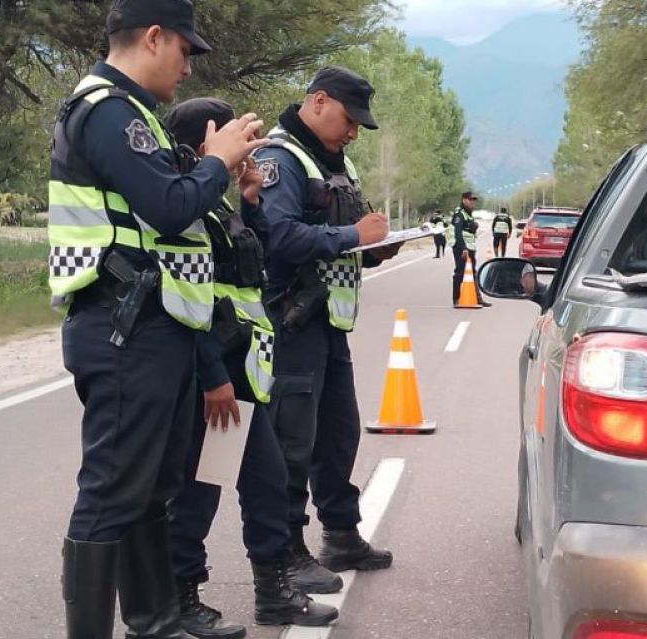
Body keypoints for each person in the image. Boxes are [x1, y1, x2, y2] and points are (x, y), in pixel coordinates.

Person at [48, 2, 267, 637]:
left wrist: (223, 178)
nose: (187, 68)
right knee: (113, 490)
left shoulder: (134, 113)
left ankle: (155, 622)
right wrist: (216, 160)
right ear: (152, 37)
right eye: (183, 51)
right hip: (124, 326)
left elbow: (173, 218)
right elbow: (169, 207)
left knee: (152, 486)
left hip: (157, 326)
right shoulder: (107, 111)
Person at [162, 99, 339, 638]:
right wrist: (212, 376)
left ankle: (273, 592)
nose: (248, 147)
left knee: (266, 481)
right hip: (213, 377)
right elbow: (189, 303)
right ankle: (180, 597)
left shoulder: (219, 207)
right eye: (238, 136)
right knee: (199, 492)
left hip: (241, 373)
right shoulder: (183, 212)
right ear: (203, 145)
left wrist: (251, 199)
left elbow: (252, 262)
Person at [253, 66, 397, 586]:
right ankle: (286, 553)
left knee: (338, 434)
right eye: (349, 119)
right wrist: (353, 235)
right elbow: (279, 237)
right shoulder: (281, 159)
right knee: (292, 442)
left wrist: (374, 247)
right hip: (290, 320)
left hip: (328, 320)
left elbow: (338, 232)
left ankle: (340, 534)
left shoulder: (335, 162)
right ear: (317, 102)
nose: (354, 131)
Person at [449, 191, 491, 307]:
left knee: (472, 272)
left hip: (470, 247)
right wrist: (463, 248)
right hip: (461, 247)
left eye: (473, 200)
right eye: (470, 200)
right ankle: (456, 299)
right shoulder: (459, 214)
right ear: (464, 200)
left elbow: (469, 229)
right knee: (460, 272)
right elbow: (458, 233)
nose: (472, 202)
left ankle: (478, 298)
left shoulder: (468, 214)